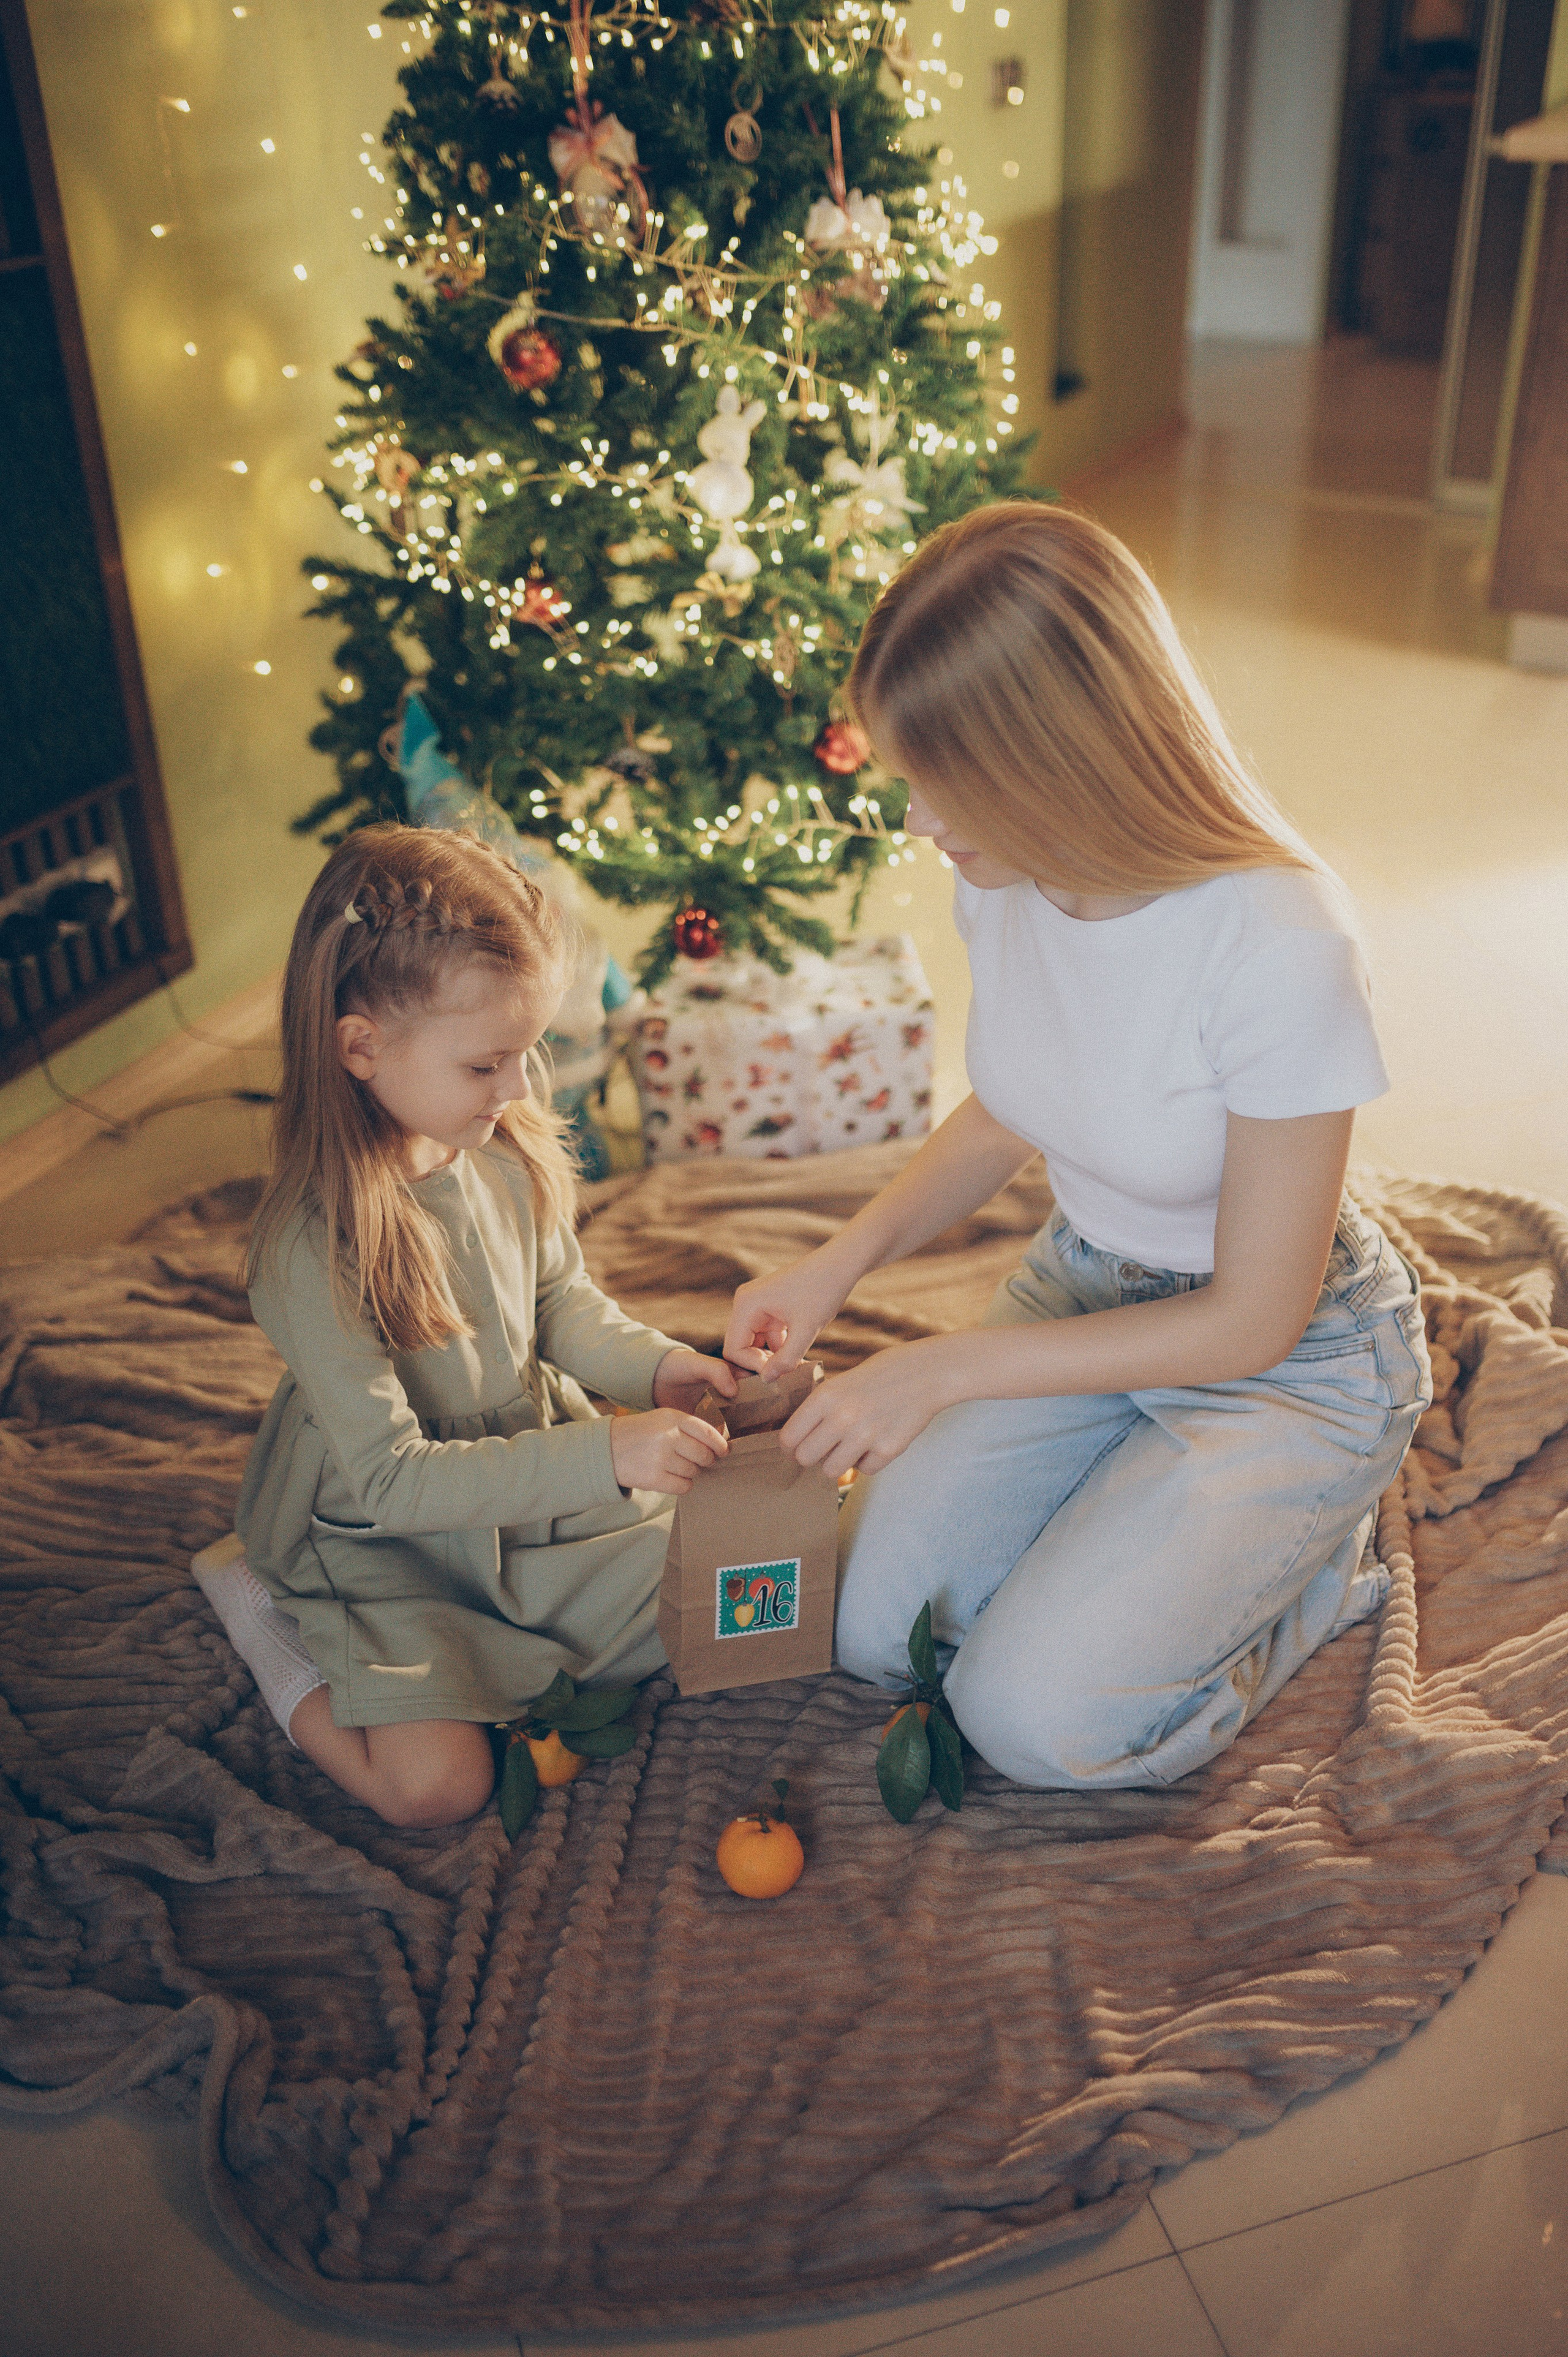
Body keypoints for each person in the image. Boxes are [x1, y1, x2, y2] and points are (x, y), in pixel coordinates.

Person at [723, 502, 1431, 1792]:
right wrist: (837, 1263)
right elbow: (1014, 1104)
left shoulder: (1280, 942)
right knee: (874, 1627)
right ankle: (1141, 1523)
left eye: (941, 783)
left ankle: (1315, 1572)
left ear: (1054, 761)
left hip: (1287, 1359)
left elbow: (1251, 1320)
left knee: (1032, 1720)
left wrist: (944, 1369)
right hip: (1084, 1286)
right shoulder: (1005, 871)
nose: (917, 821)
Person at [195, 825, 734, 1827]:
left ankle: (522, 1627)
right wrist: (610, 1454)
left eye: (527, 1054)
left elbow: (559, 1305)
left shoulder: (503, 1142)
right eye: (487, 1064)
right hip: (387, 1536)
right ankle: (254, 1605)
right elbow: (395, 1480)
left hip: (530, 1486)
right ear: (361, 1047)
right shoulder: (310, 1245)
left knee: (720, 1595)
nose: (520, 1088)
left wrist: (662, 1370)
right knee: (437, 1790)